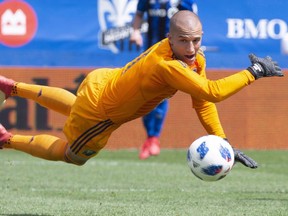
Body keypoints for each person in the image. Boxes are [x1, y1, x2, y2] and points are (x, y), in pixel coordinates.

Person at [0, 11, 283, 169]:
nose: (191, 48)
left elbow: (202, 102)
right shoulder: (166, 66)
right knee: (71, 156)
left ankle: (12, 87)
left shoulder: (191, 58)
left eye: (196, 40)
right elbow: (213, 92)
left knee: (75, 106)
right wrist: (254, 72)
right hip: (101, 114)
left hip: (101, 81)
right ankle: (6, 139)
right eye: (183, 41)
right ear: (169, 38)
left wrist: (222, 141)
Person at [130, 0, 198, 160]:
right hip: (150, 52)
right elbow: (139, 14)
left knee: (161, 94)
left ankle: (154, 138)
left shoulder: (183, 1)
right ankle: (150, 138)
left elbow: (192, 21)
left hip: (171, 55)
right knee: (144, 94)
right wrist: (135, 31)